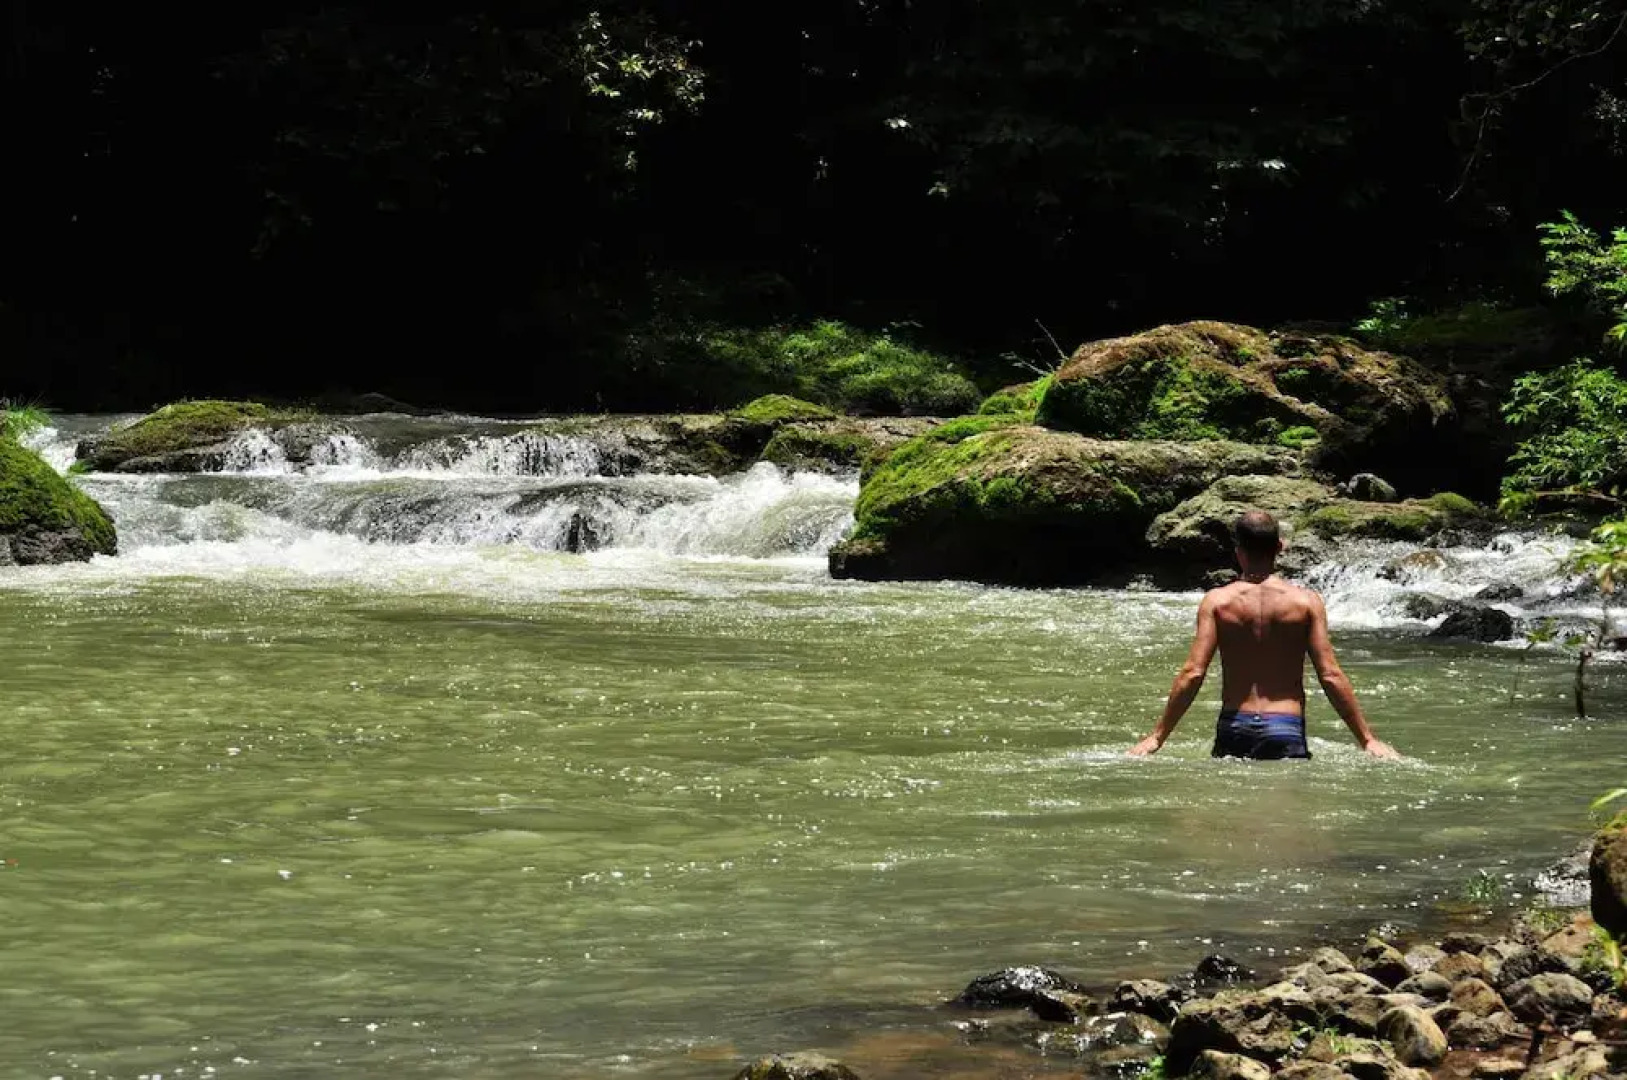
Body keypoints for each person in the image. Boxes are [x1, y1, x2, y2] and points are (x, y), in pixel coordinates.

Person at [1128, 510, 1400, 760]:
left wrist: (1157, 736)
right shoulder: (1306, 602)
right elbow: (1329, 674)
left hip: (1234, 726)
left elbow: (1193, 673)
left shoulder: (1217, 602)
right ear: (1279, 547)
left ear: (1238, 551)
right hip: (1286, 727)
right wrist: (1367, 739)